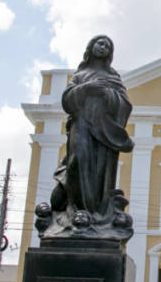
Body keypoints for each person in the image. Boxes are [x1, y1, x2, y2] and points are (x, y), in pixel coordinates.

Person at [55, 35, 134, 222]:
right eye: (100, 43)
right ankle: (75, 209)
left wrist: (106, 93)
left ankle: (94, 212)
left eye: (107, 45)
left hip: (104, 132)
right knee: (78, 161)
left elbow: (124, 105)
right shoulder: (80, 76)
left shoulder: (113, 78)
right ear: (91, 47)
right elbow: (67, 100)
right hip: (81, 125)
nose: (103, 47)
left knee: (100, 170)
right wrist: (87, 88)